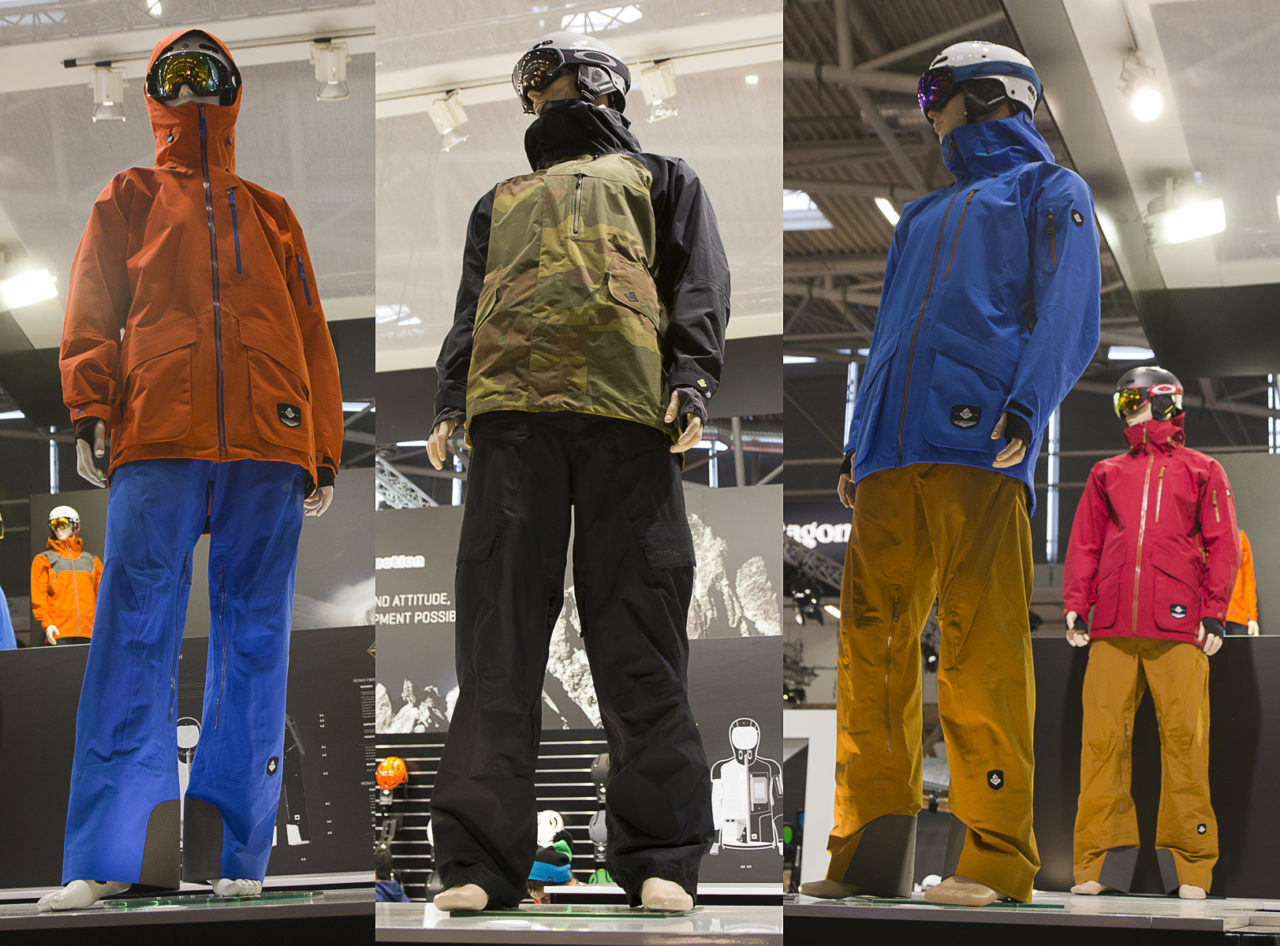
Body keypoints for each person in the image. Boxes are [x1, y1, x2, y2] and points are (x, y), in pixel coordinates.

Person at [425, 30, 729, 913]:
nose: (540, 93)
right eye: (530, 83)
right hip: (510, 418)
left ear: (598, 81)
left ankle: (662, 853)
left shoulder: (662, 178)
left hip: (626, 415)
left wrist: (692, 377)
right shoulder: (499, 199)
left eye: (549, 75)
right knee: (498, 640)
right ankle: (480, 863)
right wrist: (450, 400)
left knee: (640, 635)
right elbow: (471, 305)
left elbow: (698, 281)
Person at [39, 28, 341, 911]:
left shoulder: (272, 212)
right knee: (131, 635)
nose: (193, 88)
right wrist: (91, 406)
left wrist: (322, 444)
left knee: (257, 643)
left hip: (269, 441)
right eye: (175, 75)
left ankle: (235, 853)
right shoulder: (128, 195)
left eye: (209, 75)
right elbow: (92, 304)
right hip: (157, 432)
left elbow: (311, 331)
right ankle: (111, 854)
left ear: (233, 91)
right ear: (154, 95)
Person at [801, 40, 1101, 906]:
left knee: (981, 649)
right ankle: (867, 853)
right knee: (870, 651)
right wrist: (858, 437)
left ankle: (997, 860)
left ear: (993, 94)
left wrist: (1027, 404)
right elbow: (888, 331)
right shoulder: (922, 217)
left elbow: (1072, 313)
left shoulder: (1050, 190)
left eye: (936, 89)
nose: (927, 108)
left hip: (979, 444)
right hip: (888, 455)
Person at [1063, 366, 1237, 899]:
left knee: (1185, 744)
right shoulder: (1106, 473)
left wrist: (1214, 610)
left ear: (1165, 401)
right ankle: (1099, 864)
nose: (1126, 412)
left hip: (1179, 627)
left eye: (1133, 401)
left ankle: (1190, 867)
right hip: (1112, 626)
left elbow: (1223, 543)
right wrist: (1076, 604)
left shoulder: (1203, 469)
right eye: (1121, 403)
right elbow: (1086, 542)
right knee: (1102, 744)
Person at [30, 505, 102, 645]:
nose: (58, 529)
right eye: (54, 525)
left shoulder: (92, 561)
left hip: (91, 633)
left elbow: (103, 598)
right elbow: (39, 599)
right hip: (58, 633)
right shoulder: (44, 560)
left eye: (62, 523)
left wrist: (102, 628)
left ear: (75, 525)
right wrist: (47, 624)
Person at [1225, 529, 1258, 635]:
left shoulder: (1239, 537)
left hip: (1237, 615)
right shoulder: (1204, 537)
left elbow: (1248, 579)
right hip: (1210, 616)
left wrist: (1252, 617)